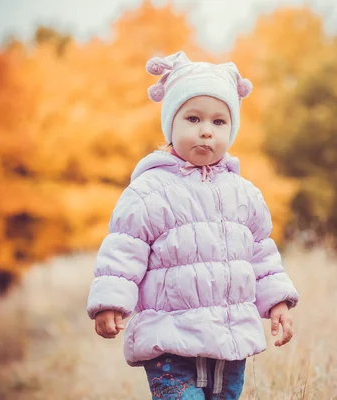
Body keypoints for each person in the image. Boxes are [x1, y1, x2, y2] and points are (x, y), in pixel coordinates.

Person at [86, 51, 300, 399]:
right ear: (171, 123)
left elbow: (261, 253)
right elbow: (123, 249)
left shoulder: (244, 194)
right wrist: (110, 301)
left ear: (231, 129)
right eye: (193, 118)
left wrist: (277, 301)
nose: (205, 131)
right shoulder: (149, 192)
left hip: (229, 343)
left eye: (219, 122)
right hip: (171, 342)